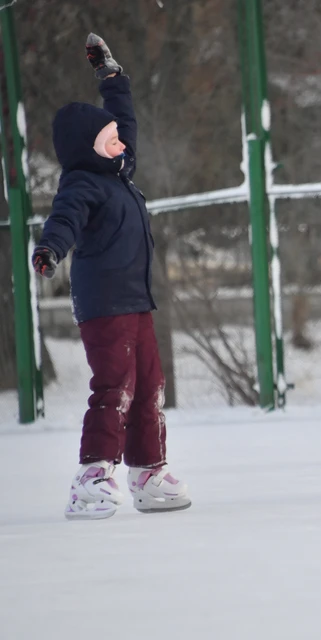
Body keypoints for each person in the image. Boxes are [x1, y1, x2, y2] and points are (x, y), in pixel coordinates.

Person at [32, 34, 191, 520]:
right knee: (115, 386)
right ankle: (92, 476)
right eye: (110, 139)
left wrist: (111, 77)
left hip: (137, 301)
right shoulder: (82, 183)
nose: (121, 140)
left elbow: (126, 118)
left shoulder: (120, 169)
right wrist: (49, 248)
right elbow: (63, 219)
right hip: (105, 306)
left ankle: (147, 472)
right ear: (89, 150)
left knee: (149, 387)